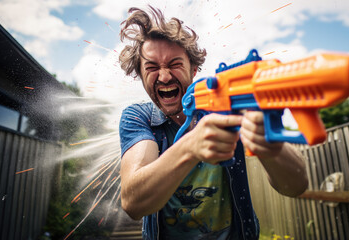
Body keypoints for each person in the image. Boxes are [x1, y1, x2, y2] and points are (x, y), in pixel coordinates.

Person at [118, 6, 308, 240]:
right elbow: (133, 203)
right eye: (152, 67)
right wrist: (190, 146)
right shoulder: (138, 117)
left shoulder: (226, 106)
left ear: (194, 69)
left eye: (175, 64)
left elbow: (296, 187)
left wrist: (268, 145)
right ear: (140, 74)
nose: (165, 76)